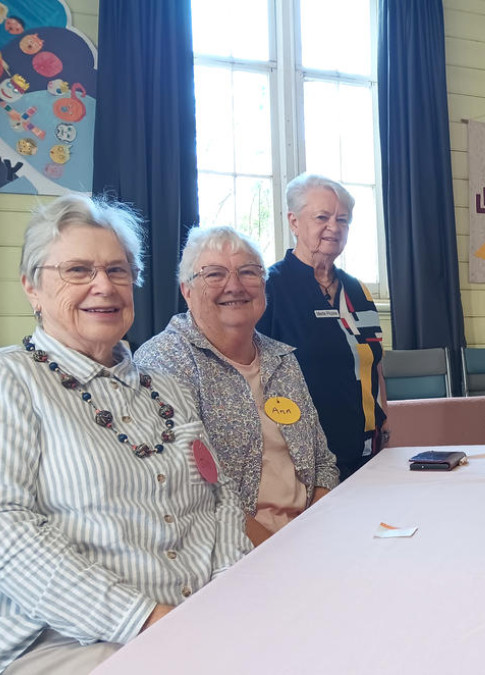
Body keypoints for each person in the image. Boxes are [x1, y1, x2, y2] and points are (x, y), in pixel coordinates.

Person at [0, 195, 250, 673]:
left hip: (201, 620)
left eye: (118, 271)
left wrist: (227, 598)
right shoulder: (12, 381)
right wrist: (149, 620)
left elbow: (222, 502)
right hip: (69, 642)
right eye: (78, 270)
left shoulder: (167, 390)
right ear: (32, 287)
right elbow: (6, 533)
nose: (104, 287)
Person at [136, 226, 340, 547]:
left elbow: (323, 463)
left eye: (248, 272)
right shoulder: (163, 362)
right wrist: (278, 551)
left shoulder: (282, 359)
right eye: (214, 274)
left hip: (309, 536)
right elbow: (195, 494)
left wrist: (313, 532)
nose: (234, 285)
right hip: (230, 554)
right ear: (186, 290)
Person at [256, 173, 387, 480]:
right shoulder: (270, 288)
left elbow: (375, 365)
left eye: (342, 219)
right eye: (322, 217)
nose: (334, 227)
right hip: (303, 458)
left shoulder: (358, 291)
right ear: (294, 222)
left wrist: (385, 420)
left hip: (367, 449)